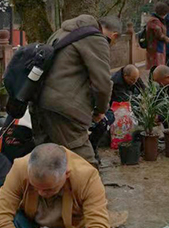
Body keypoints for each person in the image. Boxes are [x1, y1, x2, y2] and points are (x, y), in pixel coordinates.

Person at [37, 14, 120, 166]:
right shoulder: (95, 38)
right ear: (114, 36)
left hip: (40, 102)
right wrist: (100, 110)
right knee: (84, 164)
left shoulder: (62, 32)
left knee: (49, 162)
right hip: (64, 108)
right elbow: (102, 84)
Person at [144, 2, 169, 71]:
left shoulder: (156, 20)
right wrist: (166, 38)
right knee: (156, 67)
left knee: (156, 67)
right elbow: (158, 34)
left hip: (156, 47)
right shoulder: (155, 21)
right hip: (155, 47)